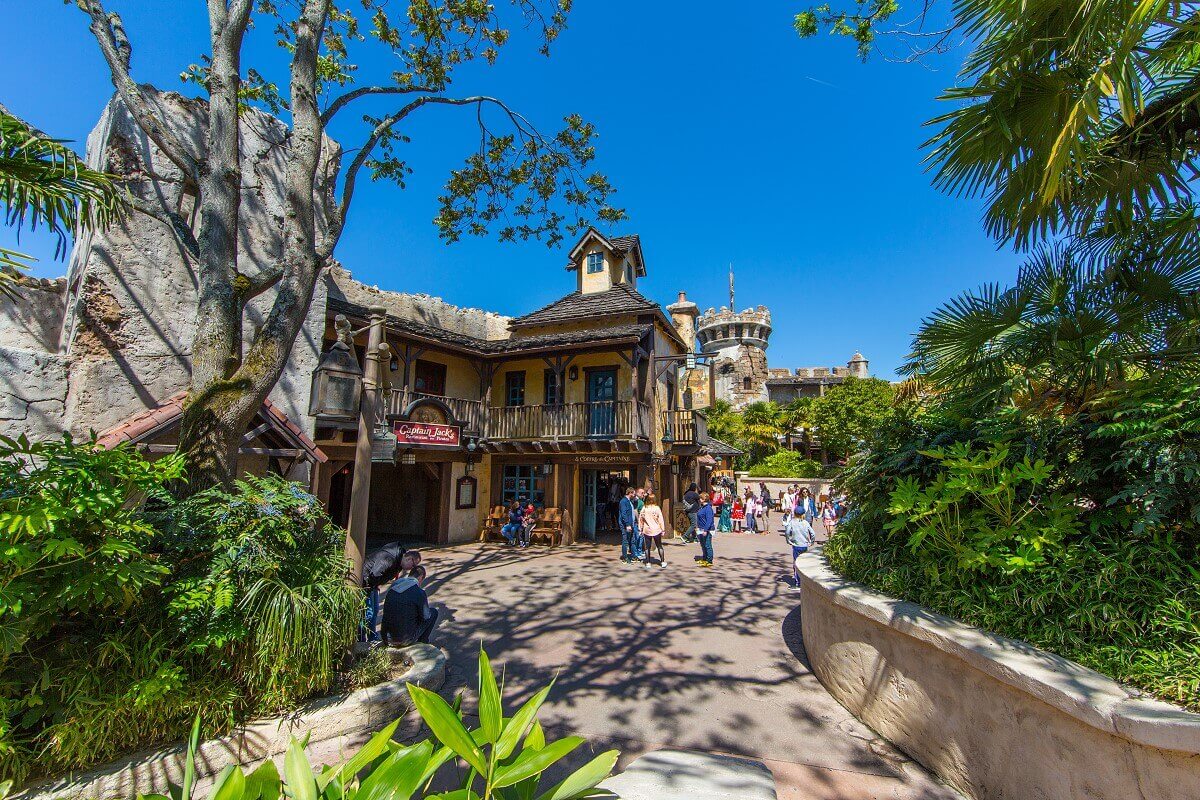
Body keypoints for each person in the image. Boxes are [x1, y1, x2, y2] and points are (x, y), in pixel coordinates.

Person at [359, 545, 420, 642]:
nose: (411, 569)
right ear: (409, 559)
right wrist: (372, 587)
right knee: (368, 614)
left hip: (373, 585)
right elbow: (374, 574)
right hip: (367, 584)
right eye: (413, 566)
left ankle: (372, 637)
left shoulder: (398, 562)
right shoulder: (389, 559)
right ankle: (361, 640)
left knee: (374, 611)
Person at [381, 564, 438, 645]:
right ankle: (422, 642)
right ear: (420, 578)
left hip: (387, 637)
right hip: (404, 639)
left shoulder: (393, 589)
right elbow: (426, 617)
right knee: (433, 612)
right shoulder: (419, 592)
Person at [784, 513, 815, 590]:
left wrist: (788, 540)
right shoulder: (805, 522)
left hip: (796, 545)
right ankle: (804, 580)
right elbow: (812, 533)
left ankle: (798, 583)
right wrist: (812, 542)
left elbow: (787, 532)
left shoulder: (792, 522)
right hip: (804, 545)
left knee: (796, 563)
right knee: (803, 563)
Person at [638, 492, 667, 568]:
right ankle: (662, 561)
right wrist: (663, 529)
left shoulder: (644, 508)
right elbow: (661, 519)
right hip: (656, 529)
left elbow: (640, 519)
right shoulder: (657, 508)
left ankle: (648, 562)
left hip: (647, 530)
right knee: (659, 546)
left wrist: (640, 529)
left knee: (647, 547)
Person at [619, 486, 640, 564]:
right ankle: (625, 557)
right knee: (626, 541)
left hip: (631, 524)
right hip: (626, 525)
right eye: (633, 494)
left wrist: (636, 500)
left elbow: (634, 508)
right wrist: (627, 524)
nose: (634, 495)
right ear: (630, 493)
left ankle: (634, 556)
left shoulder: (630, 501)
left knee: (632, 540)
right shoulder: (623, 501)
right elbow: (623, 514)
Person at [696, 492, 716, 567]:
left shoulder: (708, 508)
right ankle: (704, 558)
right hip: (701, 529)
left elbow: (709, 520)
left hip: (707, 530)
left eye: (701, 498)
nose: (699, 499)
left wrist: (705, 530)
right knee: (703, 545)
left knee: (707, 545)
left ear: (704, 499)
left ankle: (709, 560)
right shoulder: (702, 507)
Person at [631, 487, 647, 561]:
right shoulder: (638, 501)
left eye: (644, 493)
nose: (643, 494)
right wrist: (638, 521)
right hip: (638, 521)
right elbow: (635, 511)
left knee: (640, 536)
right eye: (642, 493)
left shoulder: (640, 500)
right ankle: (638, 552)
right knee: (638, 537)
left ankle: (639, 551)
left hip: (640, 521)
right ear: (637, 493)